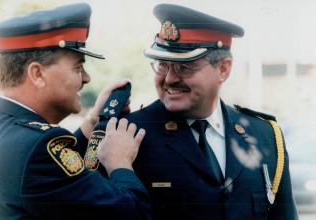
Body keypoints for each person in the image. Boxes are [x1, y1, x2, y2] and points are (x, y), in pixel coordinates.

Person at [126, 4, 298, 220]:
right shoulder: (128, 134)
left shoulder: (264, 134)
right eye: (162, 64)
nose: (169, 78)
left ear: (223, 69)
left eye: (184, 67)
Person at [0, 3, 150, 219]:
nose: (86, 78)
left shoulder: (1, 128)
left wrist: (91, 123)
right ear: (37, 74)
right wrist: (120, 163)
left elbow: (50, 170)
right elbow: (134, 213)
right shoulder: (40, 150)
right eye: (78, 67)